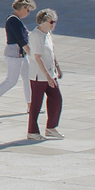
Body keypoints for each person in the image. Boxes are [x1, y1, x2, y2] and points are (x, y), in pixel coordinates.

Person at [0, 0, 35, 115]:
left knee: (27, 78)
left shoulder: (16, 20)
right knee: (11, 80)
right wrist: (32, 55)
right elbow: (20, 40)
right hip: (14, 55)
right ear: (22, 8)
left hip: (21, 55)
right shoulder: (13, 20)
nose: (28, 13)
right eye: (28, 10)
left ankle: (31, 105)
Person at [26, 8, 63, 140]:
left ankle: (51, 128)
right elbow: (38, 58)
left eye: (55, 22)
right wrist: (48, 77)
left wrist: (57, 68)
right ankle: (32, 131)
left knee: (56, 99)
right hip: (38, 76)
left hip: (50, 75)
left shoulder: (47, 34)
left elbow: (52, 52)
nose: (54, 25)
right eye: (52, 22)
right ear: (43, 21)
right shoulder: (36, 35)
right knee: (36, 104)